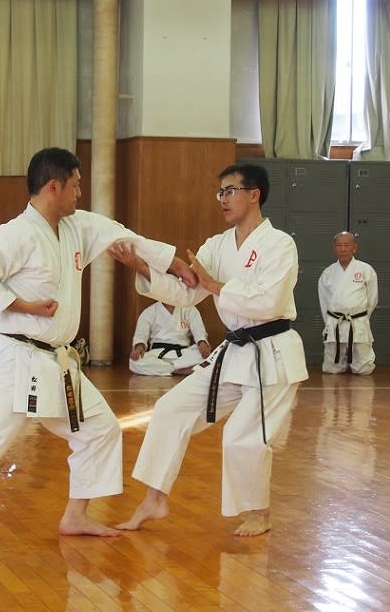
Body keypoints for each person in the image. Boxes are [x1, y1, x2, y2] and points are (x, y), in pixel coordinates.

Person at [0, 146, 196, 558]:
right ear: (54, 187)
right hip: (16, 361)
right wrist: (26, 306)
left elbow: (125, 237)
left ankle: (76, 515)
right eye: (75, 186)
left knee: (99, 427)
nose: (79, 194)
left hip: (56, 361)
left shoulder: (76, 227)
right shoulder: (15, 233)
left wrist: (175, 264)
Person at [110, 162, 308, 538]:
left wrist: (215, 284)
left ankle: (260, 513)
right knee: (170, 409)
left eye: (230, 190)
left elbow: (268, 301)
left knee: (242, 437)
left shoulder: (280, 244)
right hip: (234, 353)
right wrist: (141, 266)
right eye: (220, 192)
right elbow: (187, 292)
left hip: (273, 354)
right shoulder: (217, 246)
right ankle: (154, 498)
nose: (223, 199)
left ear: (254, 195)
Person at [318, 231, 378, 375]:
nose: (343, 249)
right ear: (334, 248)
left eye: (346, 245)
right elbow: (324, 302)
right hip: (335, 322)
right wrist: (330, 321)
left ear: (354, 248)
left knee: (363, 368)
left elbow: (372, 298)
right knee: (332, 368)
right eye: (339, 245)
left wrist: (362, 317)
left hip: (357, 321)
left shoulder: (365, 270)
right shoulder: (328, 273)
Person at [128, 301, 211, 376]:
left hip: (183, 354)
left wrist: (202, 342)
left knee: (209, 359)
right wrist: (139, 346)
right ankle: (179, 370)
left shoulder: (189, 309)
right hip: (157, 354)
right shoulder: (150, 311)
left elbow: (199, 331)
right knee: (135, 361)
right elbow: (141, 335)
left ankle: (166, 369)